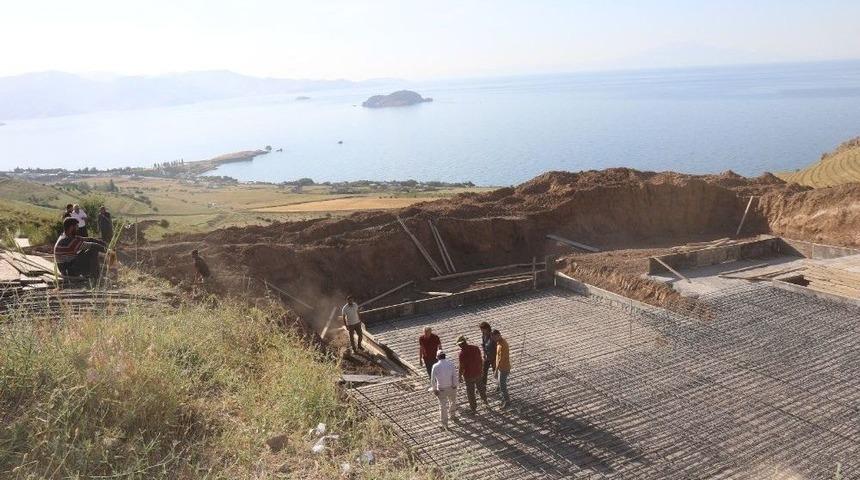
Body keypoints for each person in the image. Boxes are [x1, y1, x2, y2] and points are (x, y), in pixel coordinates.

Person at [457, 335, 487, 413]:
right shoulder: (475, 348)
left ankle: (473, 408)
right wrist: (481, 370)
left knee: (471, 393)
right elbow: (481, 360)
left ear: (460, 344)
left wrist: (459, 376)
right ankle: (485, 401)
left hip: (469, 375)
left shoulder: (462, 354)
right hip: (478, 373)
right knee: (481, 388)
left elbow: (461, 367)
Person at [429, 350, 458, 430]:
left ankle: (445, 424)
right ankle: (452, 416)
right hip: (451, 387)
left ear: (437, 357)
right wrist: (455, 385)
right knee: (452, 402)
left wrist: (434, 389)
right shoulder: (450, 364)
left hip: (441, 389)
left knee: (442, 406)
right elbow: (454, 375)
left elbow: (432, 379)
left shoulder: (435, 366)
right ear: (445, 356)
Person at [493, 329, 511, 408]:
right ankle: (504, 398)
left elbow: (501, 359)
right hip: (501, 367)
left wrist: (496, 370)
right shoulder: (499, 342)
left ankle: (507, 400)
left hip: (504, 368)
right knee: (501, 384)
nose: (493, 339)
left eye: (494, 337)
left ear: (498, 335)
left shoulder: (503, 345)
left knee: (502, 385)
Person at [479, 321, 497, 391]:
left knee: (495, 371)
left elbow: (496, 346)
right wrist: (484, 354)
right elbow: (483, 344)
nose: (482, 331)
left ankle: (499, 385)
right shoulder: (483, 335)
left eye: (482, 329)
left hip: (493, 357)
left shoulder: (492, 335)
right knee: (484, 371)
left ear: (487, 328)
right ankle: (483, 386)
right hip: (487, 357)